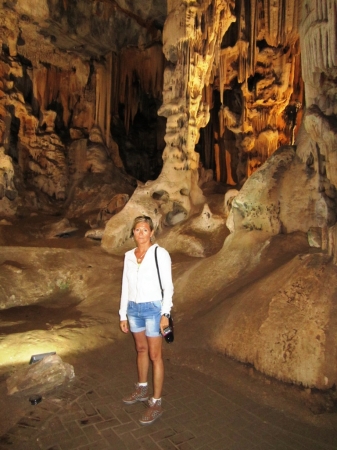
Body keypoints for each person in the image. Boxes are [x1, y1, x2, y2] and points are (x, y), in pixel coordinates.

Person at [119, 215, 174, 425]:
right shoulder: (128, 256)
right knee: (141, 350)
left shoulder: (160, 254)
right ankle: (141, 389)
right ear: (133, 232)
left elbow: (168, 286)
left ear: (151, 232)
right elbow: (125, 285)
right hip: (133, 308)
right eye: (137, 230)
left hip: (153, 308)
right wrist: (123, 313)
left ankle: (156, 401)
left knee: (155, 354)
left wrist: (165, 313)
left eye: (144, 230)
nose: (140, 233)